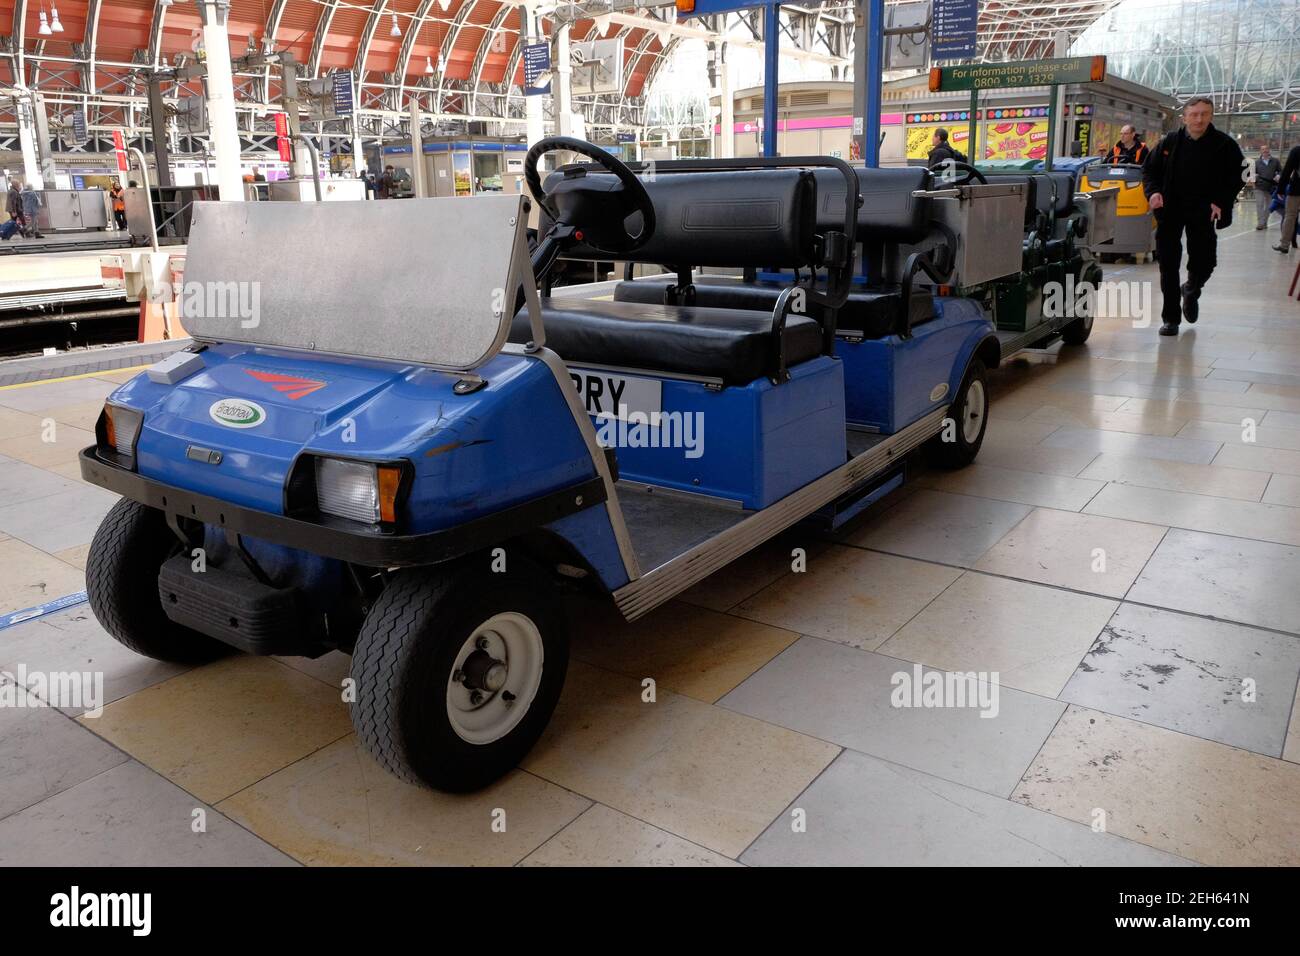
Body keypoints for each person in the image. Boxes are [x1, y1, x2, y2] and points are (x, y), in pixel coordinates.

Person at [1141, 96, 1246, 336]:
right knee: (1168, 264)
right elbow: (1149, 170)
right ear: (1184, 117)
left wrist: (1222, 200)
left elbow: (1240, 174)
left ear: (1211, 116)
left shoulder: (1224, 144)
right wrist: (1153, 192)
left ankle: (1191, 288)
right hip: (1170, 210)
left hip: (1203, 211)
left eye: (1204, 114)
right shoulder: (1170, 142)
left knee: (1205, 262)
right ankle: (1170, 319)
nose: (1199, 119)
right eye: (1195, 114)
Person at [1274, 142, 1300, 254]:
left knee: (1290, 216)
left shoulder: (1296, 151)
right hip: (1295, 189)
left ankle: (1284, 245)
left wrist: (1280, 189)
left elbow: (1287, 170)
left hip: (1296, 189)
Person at [1252, 146, 1281, 230]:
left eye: (1266, 149)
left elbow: (1281, 171)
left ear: (1269, 150)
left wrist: (1279, 175)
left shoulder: (1275, 161)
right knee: (1259, 205)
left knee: (1269, 206)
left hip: (1270, 187)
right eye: (1263, 149)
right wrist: (1254, 180)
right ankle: (1260, 223)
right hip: (1259, 187)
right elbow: (1252, 174)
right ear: (1260, 151)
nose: (1265, 150)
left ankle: (1264, 222)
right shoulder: (1256, 162)